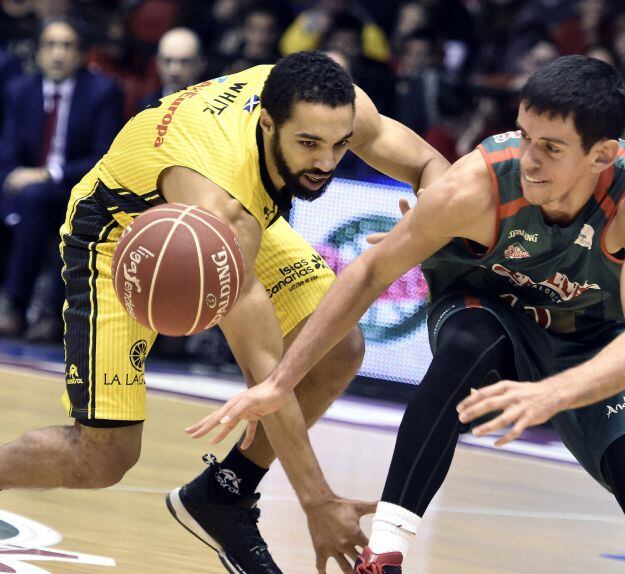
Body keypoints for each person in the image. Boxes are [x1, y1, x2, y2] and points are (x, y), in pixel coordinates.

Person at [189, 55, 625, 574]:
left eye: (551, 148)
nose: (528, 158)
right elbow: (370, 272)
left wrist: (551, 393)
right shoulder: (479, 183)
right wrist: (281, 381)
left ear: (601, 155)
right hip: (491, 305)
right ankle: (384, 552)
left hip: (594, 339)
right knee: (469, 344)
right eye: (524, 135)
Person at [0, 51, 449, 574]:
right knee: (102, 457)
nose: (327, 163)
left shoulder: (333, 106)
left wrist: (429, 216)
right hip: (121, 234)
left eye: (339, 145)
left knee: (338, 347)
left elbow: (428, 165)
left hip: (221, 219)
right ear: (268, 122)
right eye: (308, 144)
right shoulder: (224, 206)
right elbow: (268, 374)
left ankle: (224, 495)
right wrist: (317, 502)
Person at [0, 17, 123, 340]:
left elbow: (103, 156)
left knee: (58, 209)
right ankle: (33, 311)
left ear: (81, 53)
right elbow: (8, 152)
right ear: (38, 51)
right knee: (33, 202)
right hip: (28, 192)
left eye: (67, 46)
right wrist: (12, 176)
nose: (58, 54)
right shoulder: (20, 90)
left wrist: (49, 174)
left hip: (80, 189)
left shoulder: (103, 91)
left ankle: (28, 307)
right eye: (51, 45)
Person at [137, 27, 207, 110]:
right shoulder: (147, 107)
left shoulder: (212, 105)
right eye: (167, 61)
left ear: (200, 63)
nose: (174, 71)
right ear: (157, 63)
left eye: (184, 62)